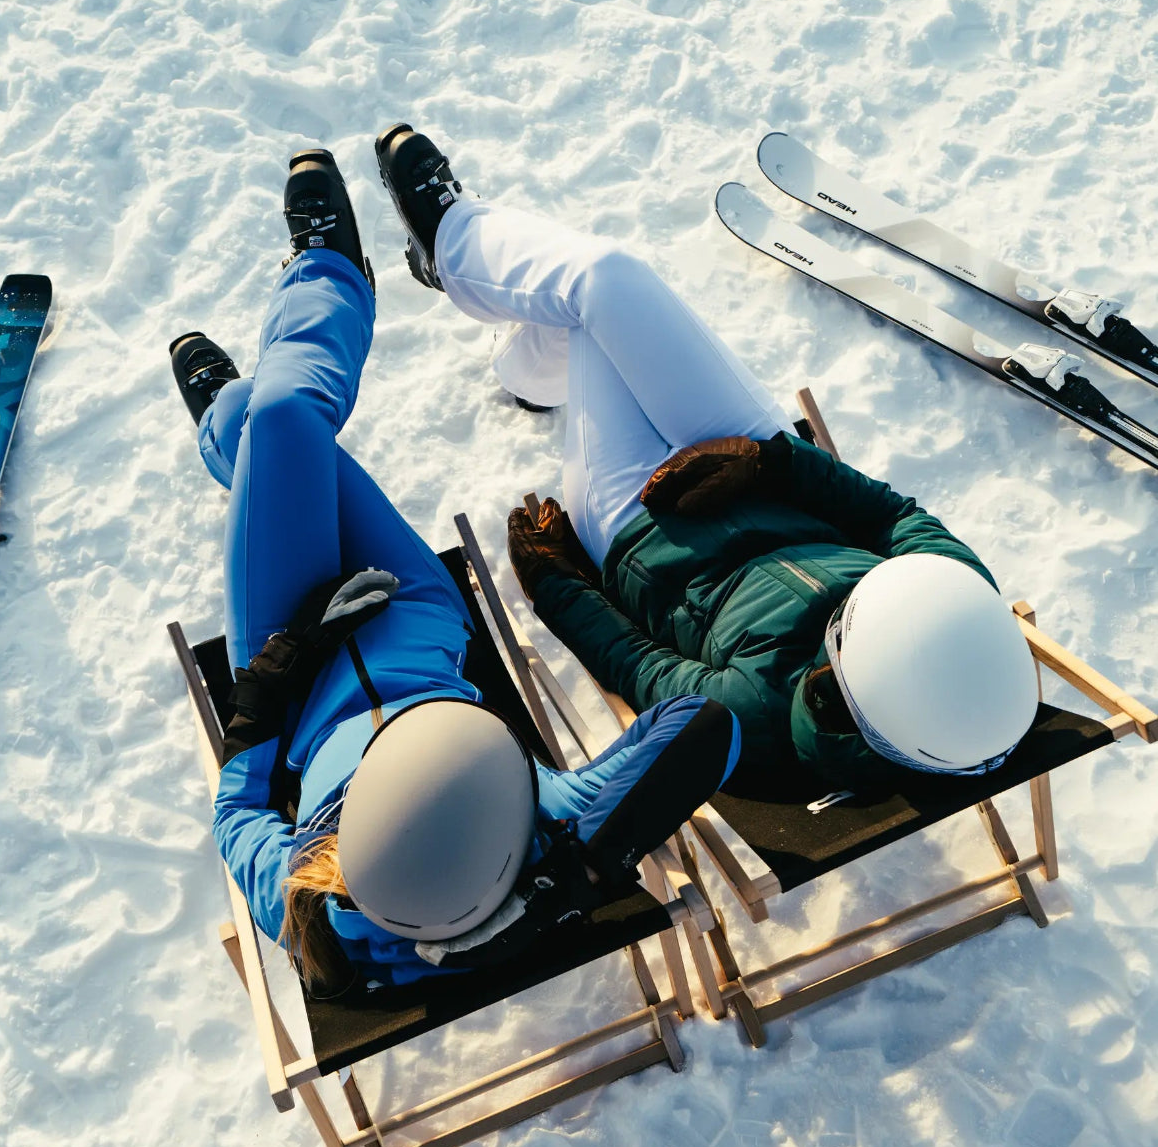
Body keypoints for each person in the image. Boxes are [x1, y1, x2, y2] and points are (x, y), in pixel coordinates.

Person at [172, 148, 742, 997]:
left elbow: (236, 820)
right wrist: (578, 867)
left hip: (294, 652)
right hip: (411, 614)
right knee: (289, 426)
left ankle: (298, 320)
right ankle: (244, 415)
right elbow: (703, 725)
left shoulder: (320, 910)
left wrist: (262, 703)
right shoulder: (552, 832)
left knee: (285, 416)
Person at [374, 124, 1039, 795]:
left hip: (637, 527)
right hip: (757, 472)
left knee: (588, 304)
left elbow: (632, 660)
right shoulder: (954, 599)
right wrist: (767, 465)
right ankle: (491, 308)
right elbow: (888, 514)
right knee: (609, 281)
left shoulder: (750, 716)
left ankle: (458, 251)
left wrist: (555, 581)